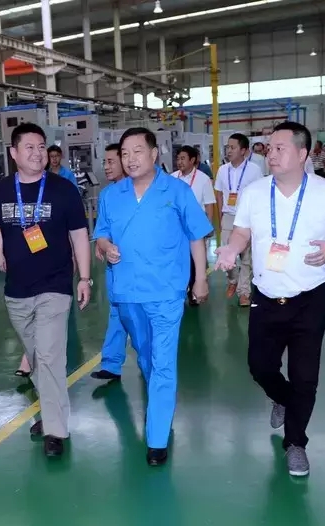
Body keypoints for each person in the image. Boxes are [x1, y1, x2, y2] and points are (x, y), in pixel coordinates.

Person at [213, 121, 325, 477]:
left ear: (302, 153)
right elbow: (241, 231)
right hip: (265, 296)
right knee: (260, 367)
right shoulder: (255, 192)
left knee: (305, 378)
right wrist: (231, 248)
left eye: (279, 148)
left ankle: (295, 443)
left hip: (309, 299)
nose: (271, 154)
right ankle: (281, 397)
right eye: (269, 148)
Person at [0, 123, 92, 458]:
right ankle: (51, 410)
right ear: (14, 153)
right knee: (36, 356)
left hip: (55, 285)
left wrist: (84, 278)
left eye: (41, 147)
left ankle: (55, 429)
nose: (37, 154)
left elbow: (80, 235)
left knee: (50, 356)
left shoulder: (63, 190)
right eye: (30, 147)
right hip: (17, 290)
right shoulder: (0, 191)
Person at [94, 127, 212, 466]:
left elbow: (196, 236)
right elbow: (101, 235)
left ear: (154, 153)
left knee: (163, 362)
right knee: (145, 356)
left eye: (137, 151)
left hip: (166, 292)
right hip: (127, 293)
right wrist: (106, 246)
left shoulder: (176, 191)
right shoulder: (111, 195)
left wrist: (200, 278)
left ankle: (157, 438)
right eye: (124, 153)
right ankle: (157, 397)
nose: (130, 159)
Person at [91, 143, 128, 382]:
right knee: (116, 310)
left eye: (111, 161)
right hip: (115, 264)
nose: (106, 166)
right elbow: (103, 227)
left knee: (140, 316)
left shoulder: (140, 190)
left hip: (139, 265)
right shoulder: (106, 194)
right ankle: (111, 364)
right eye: (104, 162)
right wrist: (101, 243)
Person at [214, 133, 264, 306]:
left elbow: (260, 195)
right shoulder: (222, 170)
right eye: (228, 147)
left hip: (248, 218)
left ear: (243, 150)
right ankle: (232, 280)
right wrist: (220, 216)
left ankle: (244, 292)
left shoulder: (254, 170)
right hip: (228, 216)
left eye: (233, 147)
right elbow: (219, 194)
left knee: (246, 257)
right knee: (226, 254)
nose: (229, 150)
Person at [172, 145, 216, 306]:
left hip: (196, 226)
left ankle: (193, 291)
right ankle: (180, 290)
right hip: (177, 226)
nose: (180, 162)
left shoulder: (203, 179)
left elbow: (209, 204)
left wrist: (209, 226)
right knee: (179, 259)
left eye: (183, 158)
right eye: (178, 158)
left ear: (192, 160)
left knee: (194, 259)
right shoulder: (172, 178)